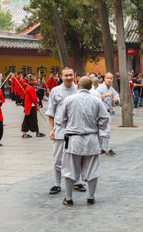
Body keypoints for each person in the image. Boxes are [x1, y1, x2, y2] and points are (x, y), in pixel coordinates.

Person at [56, 77, 109, 206]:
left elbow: (61, 119)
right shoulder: (96, 100)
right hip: (91, 138)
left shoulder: (69, 100)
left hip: (73, 138)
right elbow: (104, 118)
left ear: (77, 85)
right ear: (91, 87)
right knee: (92, 168)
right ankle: (90, 197)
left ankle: (68, 198)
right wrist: (97, 126)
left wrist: (70, 125)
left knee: (70, 168)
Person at [47, 67, 85, 195]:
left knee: (77, 157)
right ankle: (56, 184)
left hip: (76, 129)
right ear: (61, 76)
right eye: (66, 75)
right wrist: (51, 129)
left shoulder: (79, 90)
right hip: (60, 128)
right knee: (57, 158)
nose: (69, 77)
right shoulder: (55, 91)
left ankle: (77, 182)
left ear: (74, 75)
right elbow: (51, 111)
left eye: (70, 75)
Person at [96, 73, 120, 156]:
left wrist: (116, 100)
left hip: (107, 111)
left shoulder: (111, 89)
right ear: (104, 79)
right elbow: (95, 98)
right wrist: (105, 95)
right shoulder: (100, 88)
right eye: (107, 78)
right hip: (100, 112)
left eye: (111, 78)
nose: (109, 80)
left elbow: (116, 96)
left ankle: (101, 148)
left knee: (104, 131)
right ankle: (106, 149)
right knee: (105, 131)